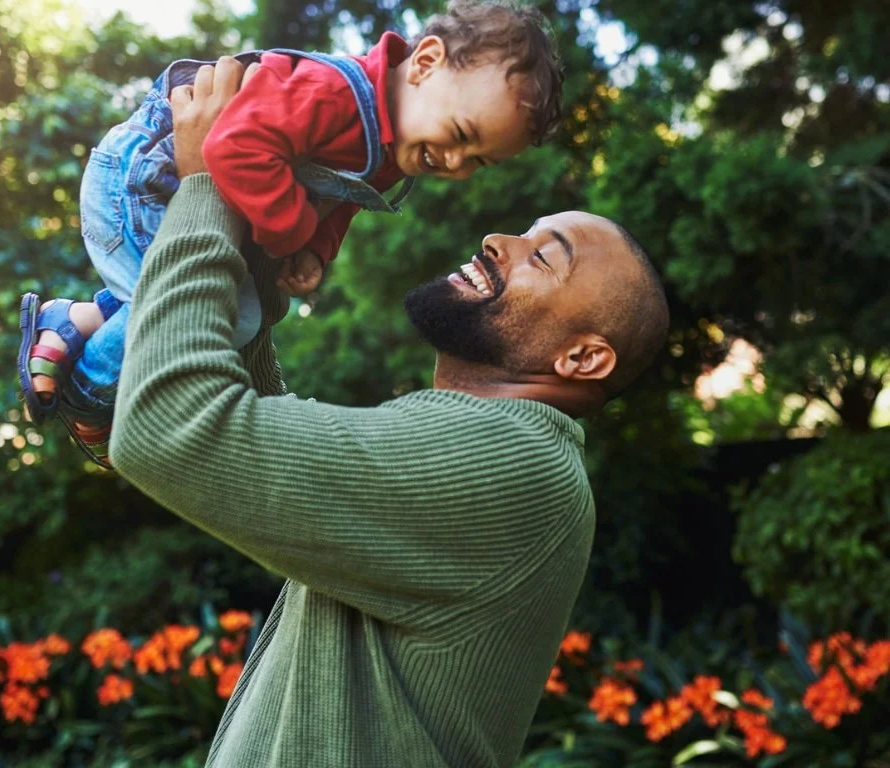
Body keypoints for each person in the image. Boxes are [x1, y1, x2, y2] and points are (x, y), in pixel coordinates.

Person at [108, 56, 670, 768]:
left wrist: (207, 185)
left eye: (543, 257)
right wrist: (257, 261)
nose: (501, 240)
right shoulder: (502, 452)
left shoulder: (513, 462)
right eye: (525, 230)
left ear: (583, 360)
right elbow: (249, 433)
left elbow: (170, 427)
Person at [18, 0, 564, 466]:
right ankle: (87, 391)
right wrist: (290, 231)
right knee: (211, 317)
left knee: (218, 313)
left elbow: (341, 200)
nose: (457, 162)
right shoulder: (336, 94)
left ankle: (73, 324)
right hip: (140, 184)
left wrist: (313, 248)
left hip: (167, 195)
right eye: (461, 133)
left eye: (479, 160)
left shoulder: (391, 147)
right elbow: (235, 148)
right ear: (424, 63)